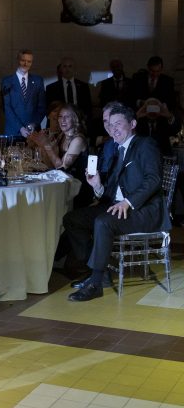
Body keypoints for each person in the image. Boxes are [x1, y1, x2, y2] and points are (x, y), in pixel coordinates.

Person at [63, 103, 169, 301]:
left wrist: (128, 202)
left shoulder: (145, 145)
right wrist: (97, 186)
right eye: (110, 125)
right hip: (119, 207)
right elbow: (111, 193)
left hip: (144, 211)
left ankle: (95, 283)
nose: (113, 129)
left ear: (133, 124)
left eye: (118, 124)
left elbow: (153, 179)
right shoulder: (117, 150)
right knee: (73, 219)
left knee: (103, 222)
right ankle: (99, 272)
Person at [1, 49, 46, 138]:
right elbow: (7, 107)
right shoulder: (7, 81)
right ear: (18, 60)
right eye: (23, 60)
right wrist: (21, 128)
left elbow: (42, 106)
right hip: (13, 131)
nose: (26, 64)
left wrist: (33, 124)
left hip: (33, 133)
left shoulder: (38, 81)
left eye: (29, 61)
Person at [45, 57, 92, 123]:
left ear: (74, 69)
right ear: (61, 69)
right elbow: (49, 110)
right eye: (64, 66)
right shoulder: (51, 88)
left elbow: (88, 108)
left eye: (70, 66)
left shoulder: (83, 86)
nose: (67, 69)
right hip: (59, 123)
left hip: (79, 123)